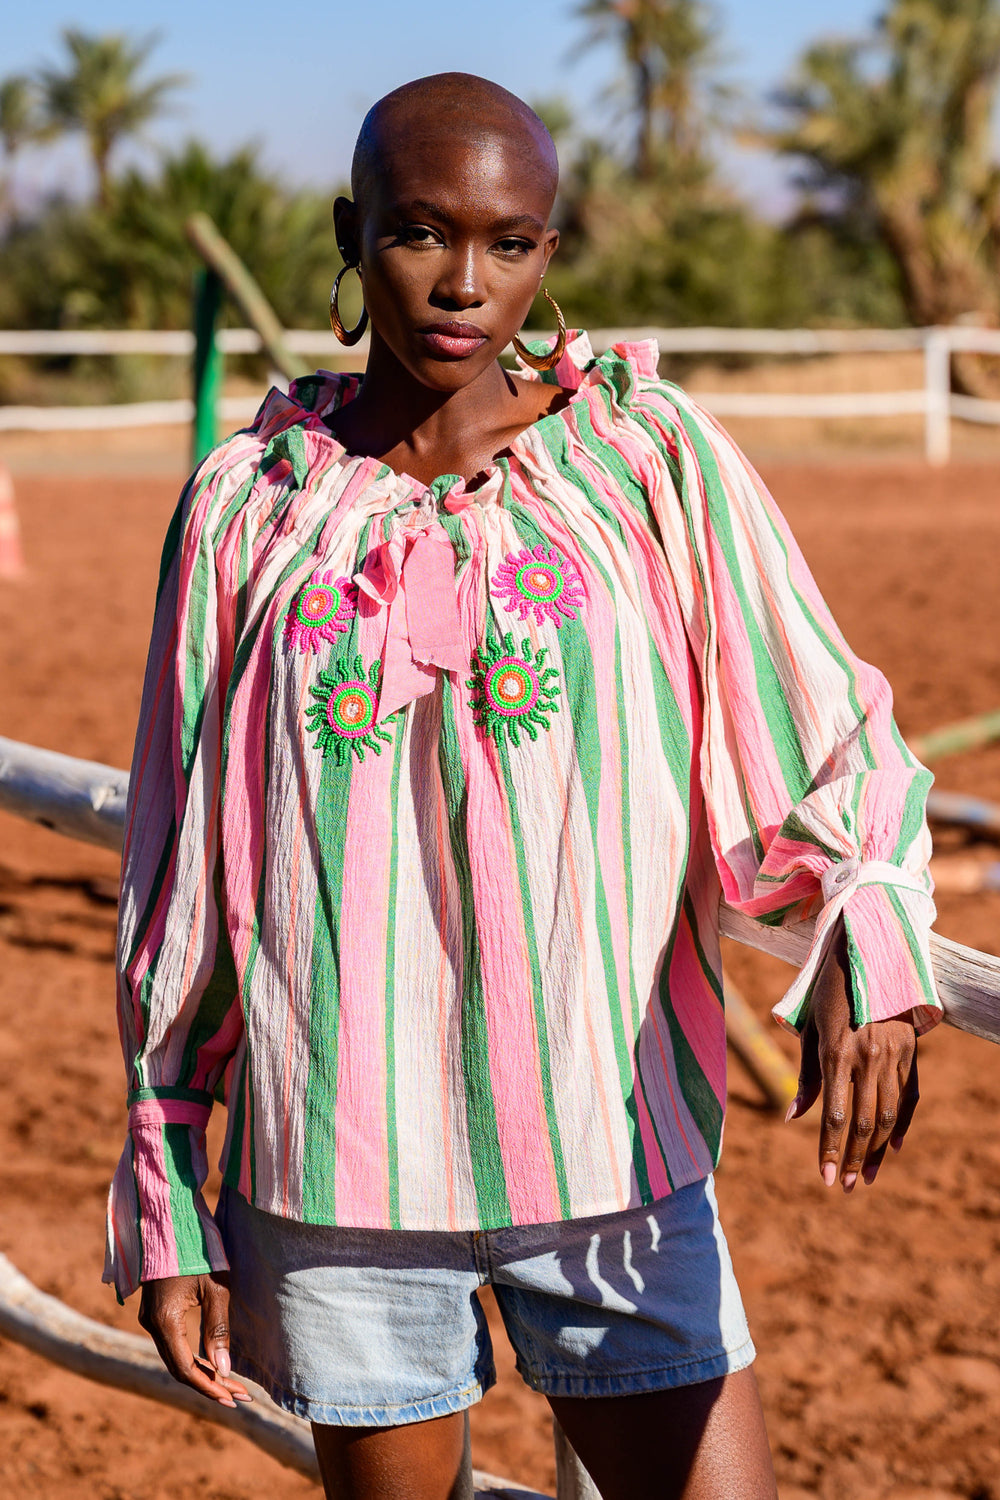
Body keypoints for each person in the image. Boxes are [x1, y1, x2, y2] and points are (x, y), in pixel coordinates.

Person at [104, 73, 941, 1500]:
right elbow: (179, 854)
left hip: (617, 1156)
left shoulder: (645, 458)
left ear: (550, 257)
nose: (463, 282)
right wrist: (172, 1160)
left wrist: (868, 909)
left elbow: (815, 708)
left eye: (511, 242)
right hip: (338, 1172)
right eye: (422, 232)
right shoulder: (251, 506)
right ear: (350, 236)